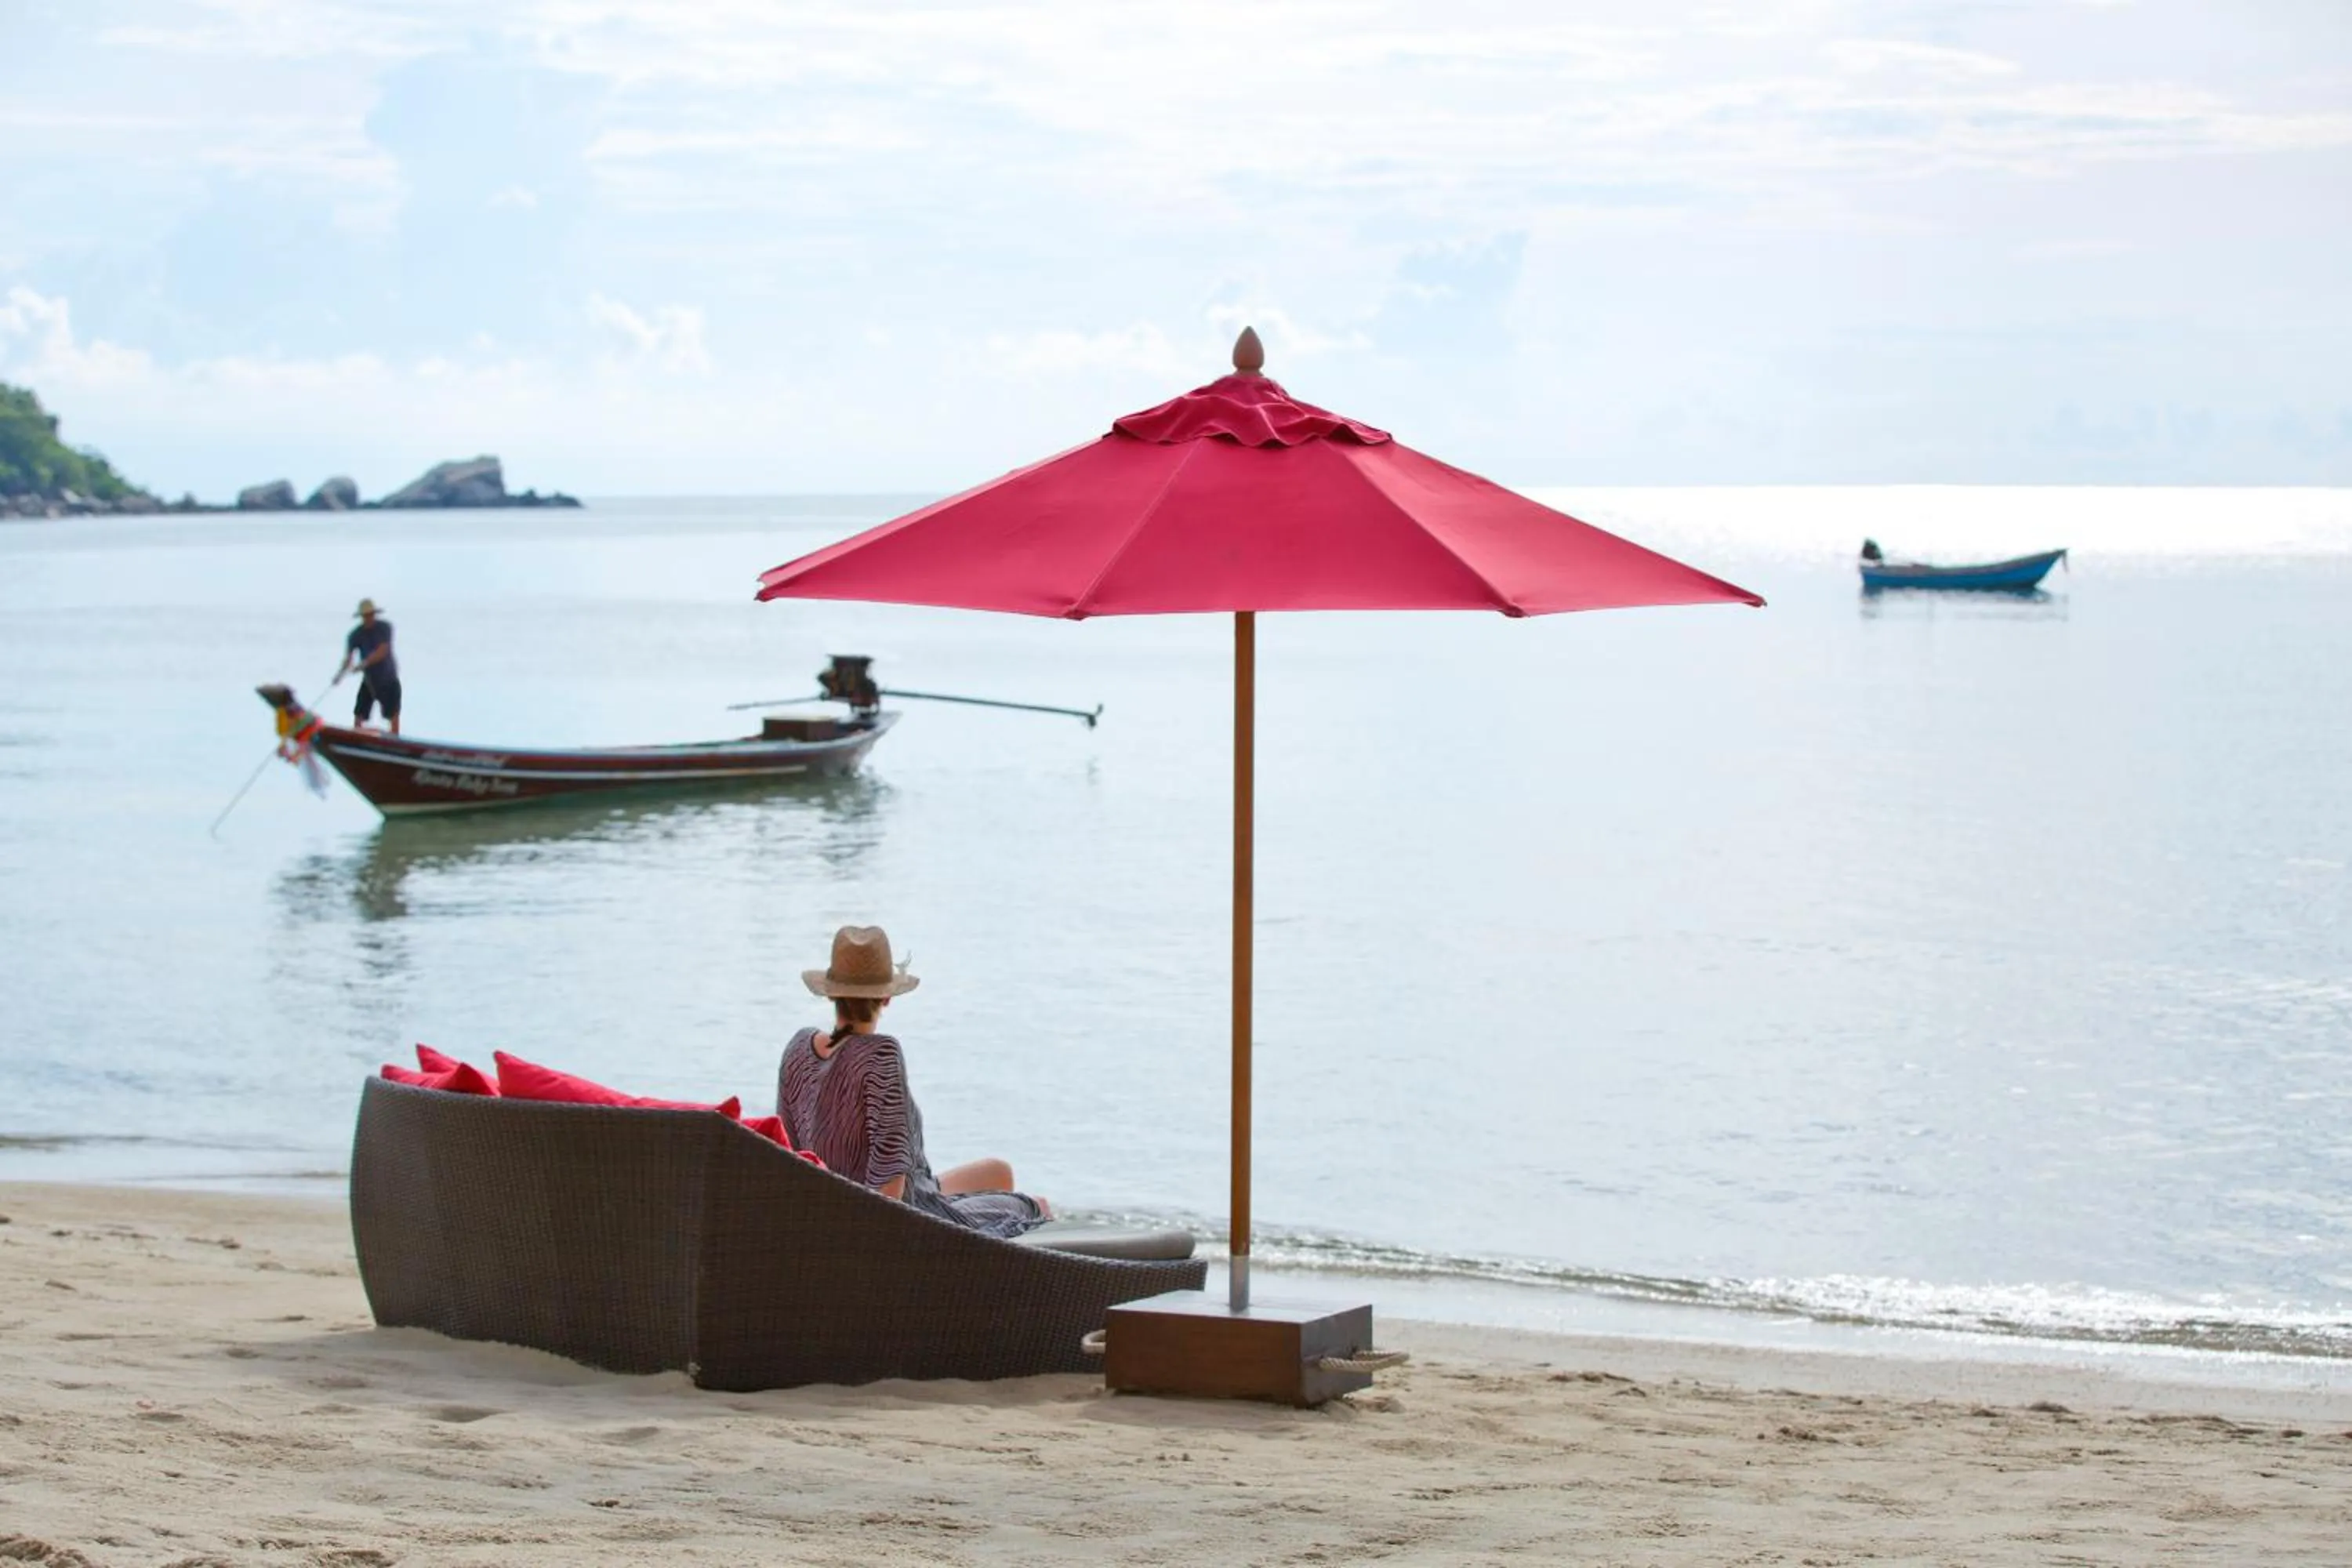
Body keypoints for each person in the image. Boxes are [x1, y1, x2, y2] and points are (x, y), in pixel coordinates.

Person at [776, 925, 1049, 1237]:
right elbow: (889, 1189)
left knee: (999, 1173)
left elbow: (790, 1156)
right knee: (1036, 1206)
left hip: (845, 1205)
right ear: (887, 998)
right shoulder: (880, 1056)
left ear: (831, 994)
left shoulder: (798, 1049)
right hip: (892, 1218)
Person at [338, 597, 401, 735]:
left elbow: (383, 650)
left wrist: (364, 663)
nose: (369, 618)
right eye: (366, 616)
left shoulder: (385, 627)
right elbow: (348, 658)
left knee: (392, 713)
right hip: (370, 680)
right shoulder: (355, 635)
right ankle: (357, 738)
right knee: (359, 712)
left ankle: (395, 740)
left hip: (388, 678)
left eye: (371, 615)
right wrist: (340, 674)